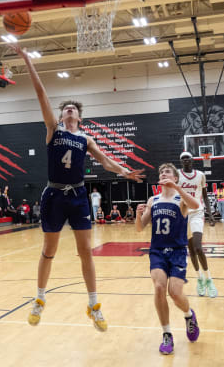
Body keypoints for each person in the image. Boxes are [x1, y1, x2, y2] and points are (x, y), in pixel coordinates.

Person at [15, 44, 145, 331]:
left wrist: (125, 173)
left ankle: (93, 305)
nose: (68, 109)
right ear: (61, 116)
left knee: (86, 251)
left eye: (73, 108)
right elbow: (41, 95)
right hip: (53, 195)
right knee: (49, 251)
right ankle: (39, 298)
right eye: (65, 108)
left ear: (80, 118)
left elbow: (107, 162)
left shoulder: (85, 139)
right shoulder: (53, 129)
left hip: (77, 195)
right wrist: (27, 59)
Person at [136, 163, 201, 354]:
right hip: (157, 250)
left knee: (174, 292)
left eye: (167, 172)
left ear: (175, 178)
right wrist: (138, 215)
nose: (163, 173)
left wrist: (177, 188)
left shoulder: (181, 198)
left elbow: (196, 205)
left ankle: (189, 316)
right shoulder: (153, 199)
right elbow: (140, 228)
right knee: (158, 287)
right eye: (161, 171)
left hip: (177, 251)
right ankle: (166, 334)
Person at [177, 152, 217, 298]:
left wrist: (210, 213)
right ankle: (199, 278)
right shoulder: (177, 175)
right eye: (183, 158)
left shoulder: (200, 175)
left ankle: (209, 279)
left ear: (192, 160)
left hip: (197, 213)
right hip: (183, 215)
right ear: (181, 161)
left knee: (198, 247)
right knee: (191, 251)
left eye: (188, 158)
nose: (186, 160)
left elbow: (205, 195)